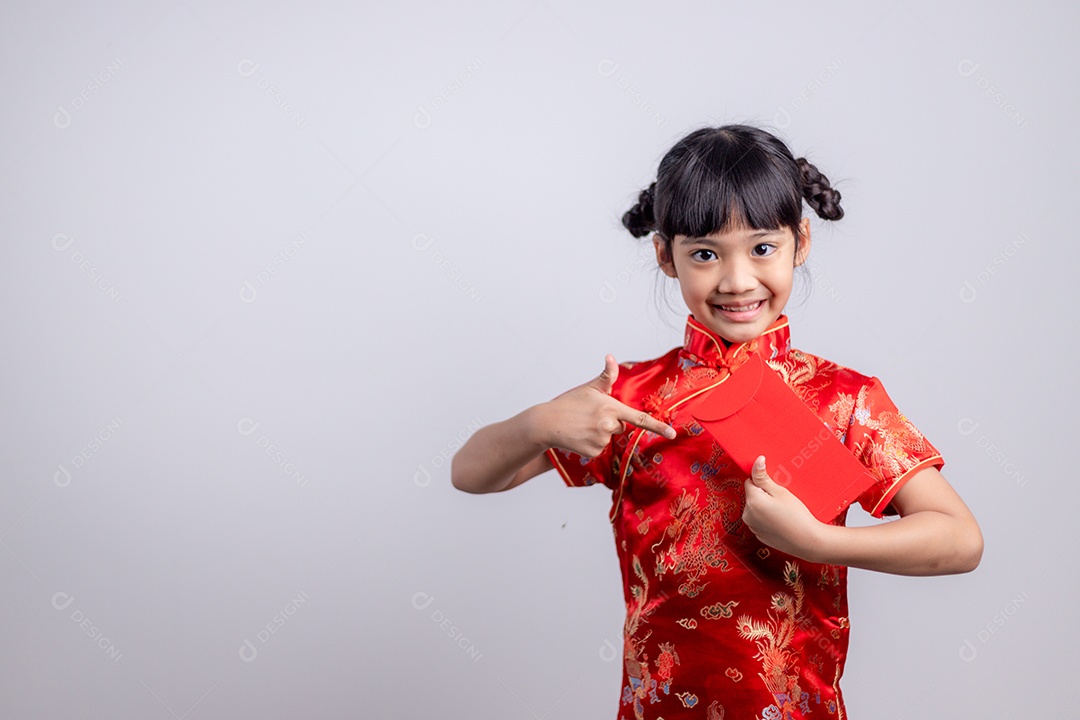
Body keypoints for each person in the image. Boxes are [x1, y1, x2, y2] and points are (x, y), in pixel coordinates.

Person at [450, 123, 983, 720]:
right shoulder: (629, 398)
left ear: (800, 242)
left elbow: (960, 540)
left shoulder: (842, 398)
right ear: (664, 256)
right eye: (705, 254)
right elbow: (471, 474)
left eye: (762, 248)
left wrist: (818, 543)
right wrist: (540, 422)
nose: (736, 280)